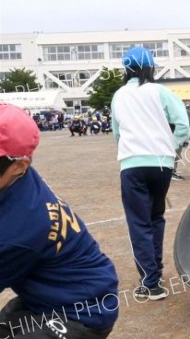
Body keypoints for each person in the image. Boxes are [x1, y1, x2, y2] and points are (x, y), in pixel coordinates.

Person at [0, 103, 119, 338]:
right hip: (46, 298)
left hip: (82, 312)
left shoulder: (19, 230)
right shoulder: (18, 176)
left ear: (19, 165)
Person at [111, 46, 190, 299]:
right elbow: (183, 125)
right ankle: (155, 270)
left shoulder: (119, 96)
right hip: (161, 164)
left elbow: (117, 133)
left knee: (139, 222)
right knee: (156, 217)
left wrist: (130, 150)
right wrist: (173, 147)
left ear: (126, 69)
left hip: (132, 165)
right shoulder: (161, 91)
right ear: (150, 68)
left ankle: (150, 282)